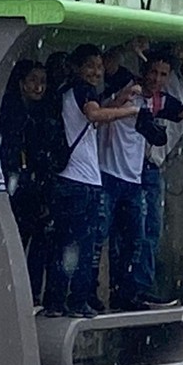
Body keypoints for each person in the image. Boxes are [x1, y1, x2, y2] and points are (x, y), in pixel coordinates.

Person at [96, 49, 183, 311]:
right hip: (106, 174)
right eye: (154, 73)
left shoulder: (160, 101)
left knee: (138, 236)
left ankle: (131, 292)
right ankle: (93, 294)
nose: (157, 79)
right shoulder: (128, 85)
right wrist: (129, 43)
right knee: (100, 237)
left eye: (163, 75)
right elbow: (107, 63)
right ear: (144, 71)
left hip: (134, 177)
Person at [43, 44, 140, 318]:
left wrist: (121, 99)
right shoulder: (83, 89)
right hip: (82, 181)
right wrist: (131, 112)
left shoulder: (65, 91)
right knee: (84, 246)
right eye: (91, 66)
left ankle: (54, 302)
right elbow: (95, 114)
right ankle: (77, 302)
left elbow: (98, 110)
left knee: (63, 244)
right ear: (77, 67)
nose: (97, 72)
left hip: (65, 179)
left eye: (99, 66)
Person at [0, 59, 48, 306]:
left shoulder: (42, 112)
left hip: (32, 184)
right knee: (13, 240)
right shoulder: (9, 109)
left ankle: (31, 294)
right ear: (21, 83)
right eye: (33, 81)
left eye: (42, 82)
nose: (38, 87)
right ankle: (15, 295)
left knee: (35, 238)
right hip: (13, 181)